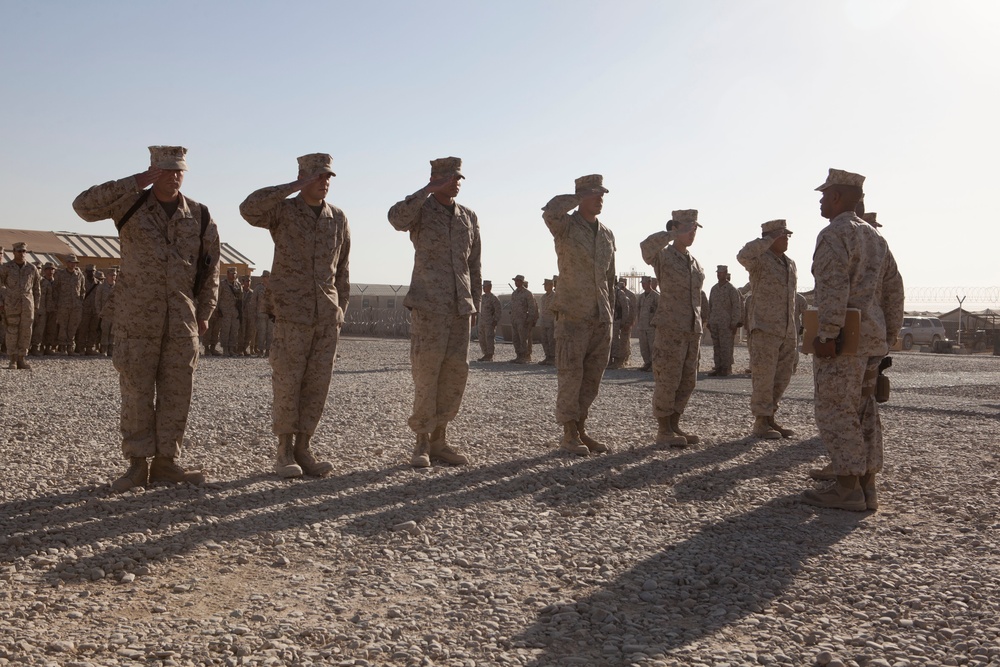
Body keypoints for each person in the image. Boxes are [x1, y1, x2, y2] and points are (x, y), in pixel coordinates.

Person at [73, 145, 221, 492]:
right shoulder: (130, 203)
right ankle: (137, 465)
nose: (172, 176)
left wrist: (205, 312)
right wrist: (134, 182)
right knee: (137, 392)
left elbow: (211, 267)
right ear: (152, 169)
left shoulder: (199, 215)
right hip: (135, 319)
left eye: (178, 170)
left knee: (176, 393)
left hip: (181, 321)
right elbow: (83, 206)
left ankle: (166, 463)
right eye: (164, 170)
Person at [240, 153, 350, 478]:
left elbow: (342, 270)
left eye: (328, 176)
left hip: (326, 316)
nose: (324, 182)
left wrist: (339, 309)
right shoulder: (283, 212)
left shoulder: (338, 218)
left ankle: (304, 447)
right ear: (303, 177)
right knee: (288, 381)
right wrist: (291, 187)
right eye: (318, 176)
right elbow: (249, 208)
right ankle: (284, 451)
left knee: (317, 384)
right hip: (291, 313)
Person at [802, 169, 904, 511]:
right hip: (871, 340)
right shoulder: (875, 238)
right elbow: (894, 291)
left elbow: (832, 289)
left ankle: (846, 488)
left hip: (845, 340)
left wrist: (827, 334)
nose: (819, 200)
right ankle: (866, 486)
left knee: (835, 409)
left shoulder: (835, 234)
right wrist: (887, 336)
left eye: (824, 194)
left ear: (837, 197)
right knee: (864, 411)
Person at [389, 157, 481, 467]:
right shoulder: (421, 210)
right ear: (435, 179)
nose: (456, 182)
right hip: (429, 306)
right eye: (450, 177)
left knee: (455, 374)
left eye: (459, 178)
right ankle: (422, 442)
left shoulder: (468, 217)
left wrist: (475, 302)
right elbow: (396, 219)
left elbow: (474, 265)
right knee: (426, 374)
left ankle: (440, 439)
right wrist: (426, 190)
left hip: (459, 308)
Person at [542, 174, 616, 456]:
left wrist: (610, 310)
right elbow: (550, 211)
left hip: (601, 314)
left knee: (592, 378)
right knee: (571, 375)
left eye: (602, 195)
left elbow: (610, 276)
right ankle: (569, 433)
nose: (600, 199)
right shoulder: (565, 226)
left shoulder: (607, 234)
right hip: (573, 313)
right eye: (595, 194)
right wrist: (577, 196)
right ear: (581, 196)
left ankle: (582, 428)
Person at [640, 210, 705, 447]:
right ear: (676, 228)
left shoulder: (694, 262)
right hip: (670, 327)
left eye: (695, 228)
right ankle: (663, 428)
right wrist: (670, 234)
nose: (692, 233)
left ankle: (675, 423)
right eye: (688, 228)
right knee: (668, 378)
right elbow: (646, 248)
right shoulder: (663, 256)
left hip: (691, 328)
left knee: (688, 380)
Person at [737, 220, 799, 440]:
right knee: (764, 377)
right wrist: (765, 240)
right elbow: (742, 255)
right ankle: (761, 422)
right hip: (764, 328)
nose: (787, 239)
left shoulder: (789, 263)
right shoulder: (759, 260)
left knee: (782, 377)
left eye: (788, 235)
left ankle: (771, 417)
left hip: (786, 329)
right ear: (771, 238)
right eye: (783, 235)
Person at [0, 242, 41, 369]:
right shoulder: (6, 267)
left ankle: (22, 358)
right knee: (12, 330)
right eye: (19, 251)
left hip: (27, 304)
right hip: (11, 303)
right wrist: (2, 301)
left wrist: (36, 305)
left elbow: (36, 288)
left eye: (24, 251)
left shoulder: (31, 268)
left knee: (26, 331)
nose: (22, 253)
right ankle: (12, 359)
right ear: (13, 252)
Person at [707, 265, 742, 376]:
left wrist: (734, 323)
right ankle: (718, 367)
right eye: (718, 273)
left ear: (726, 273)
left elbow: (736, 307)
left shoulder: (731, 289)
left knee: (726, 346)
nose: (719, 274)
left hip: (726, 324)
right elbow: (710, 306)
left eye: (721, 273)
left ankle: (726, 368)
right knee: (716, 346)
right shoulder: (714, 289)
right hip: (715, 322)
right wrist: (709, 320)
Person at [53, 254, 84, 354]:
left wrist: (79, 301)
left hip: (76, 306)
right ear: (67, 263)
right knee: (63, 325)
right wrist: (58, 302)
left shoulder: (79, 275)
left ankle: (70, 346)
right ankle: (62, 347)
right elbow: (55, 289)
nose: (72, 264)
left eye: (74, 263)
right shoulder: (60, 274)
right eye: (70, 262)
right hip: (63, 305)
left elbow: (83, 290)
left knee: (73, 326)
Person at [509, 274, 538, 363]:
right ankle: (519, 355)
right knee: (515, 338)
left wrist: (530, 320)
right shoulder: (514, 293)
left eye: (517, 281)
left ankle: (526, 356)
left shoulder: (527, 293)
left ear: (521, 282)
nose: (516, 283)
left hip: (523, 320)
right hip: (515, 319)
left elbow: (532, 307)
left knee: (524, 338)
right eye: (515, 281)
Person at [609, 277, 636, 369]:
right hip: (610, 321)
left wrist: (624, 322)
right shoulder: (609, 292)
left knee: (616, 341)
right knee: (609, 340)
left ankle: (616, 361)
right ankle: (609, 360)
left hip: (617, 321)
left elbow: (625, 308)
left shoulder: (619, 293)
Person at [217, 267, 242, 356]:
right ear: (227, 274)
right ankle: (225, 349)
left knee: (234, 330)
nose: (233, 275)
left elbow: (240, 299)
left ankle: (231, 349)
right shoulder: (222, 284)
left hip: (235, 311)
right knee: (225, 330)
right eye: (232, 273)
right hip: (225, 311)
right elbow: (218, 297)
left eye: (235, 273)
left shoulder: (238, 285)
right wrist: (218, 309)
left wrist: (240, 311)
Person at [636, 275, 658, 372]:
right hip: (642, 325)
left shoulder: (656, 296)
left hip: (651, 326)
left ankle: (654, 364)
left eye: (644, 283)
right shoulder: (641, 297)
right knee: (643, 346)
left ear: (650, 283)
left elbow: (659, 311)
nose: (643, 285)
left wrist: (655, 323)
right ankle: (647, 362)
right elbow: (638, 309)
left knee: (652, 346)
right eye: (642, 284)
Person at [477, 279, 501, 362]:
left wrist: (495, 320)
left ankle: (490, 354)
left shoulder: (493, 298)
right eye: (483, 287)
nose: (484, 288)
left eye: (485, 287)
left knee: (489, 338)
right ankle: (485, 353)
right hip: (482, 321)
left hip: (489, 322)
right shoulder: (482, 298)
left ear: (490, 287)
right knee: (482, 338)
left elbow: (498, 310)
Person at [95, 268, 117, 357]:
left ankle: (111, 349)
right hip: (105, 313)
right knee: (105, 331)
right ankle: (103, 349)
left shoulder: (118, 287)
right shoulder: (101, 287)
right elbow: (98, 300)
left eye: (114, 275)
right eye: (111, 275)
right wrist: (99, 311)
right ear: (107, 276)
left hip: (115, 314)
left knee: (113, 332)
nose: (113, 277)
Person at [537, 277, 556, 365]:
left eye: (547, 285)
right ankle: (547, 356)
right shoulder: (543, 297)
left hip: (551, 321)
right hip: (544, 321)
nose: (545, 287)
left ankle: (553, 357)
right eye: (544, 285)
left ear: (552, 285)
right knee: (544, 340)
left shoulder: (555, 296)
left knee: (551, 339)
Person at [255, 270, 273, 357]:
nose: (265, 279)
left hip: (271, 315)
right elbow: (253, 300)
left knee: (270, 332)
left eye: (267, 277)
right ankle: (260, 350)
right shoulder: (258, 288)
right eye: (264, 277)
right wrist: (253, 313)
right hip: (261, 313)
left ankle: (268, 350)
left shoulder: (273, 288)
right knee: (261, 332)